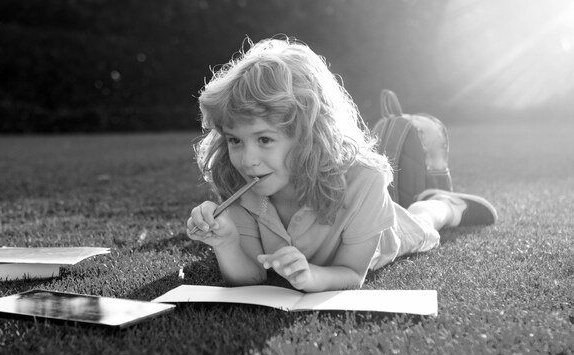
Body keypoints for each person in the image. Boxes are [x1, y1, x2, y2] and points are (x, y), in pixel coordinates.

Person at [186, 37, 497, 293]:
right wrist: (226, 242)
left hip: (382, 238)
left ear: (308, 136)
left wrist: (313, 277)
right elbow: (252, 278)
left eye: (265, 139)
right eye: (235, 140)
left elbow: (351, 274)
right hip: (347, 229)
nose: (247, 160)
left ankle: (444, 203)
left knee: (422, 223)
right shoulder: (243, 183)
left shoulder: (364, 181)